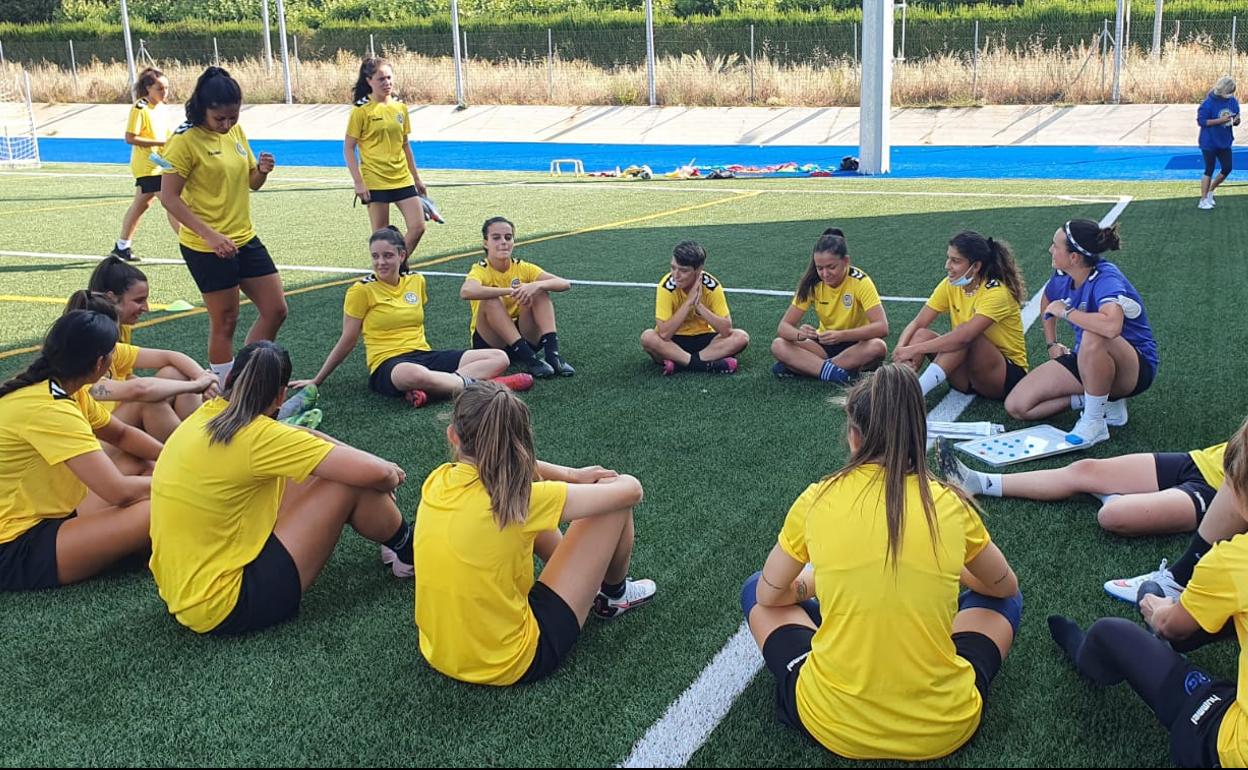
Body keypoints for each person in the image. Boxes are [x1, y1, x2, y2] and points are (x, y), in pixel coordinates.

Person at [741, 364, 1022, 760]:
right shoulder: (949, 502)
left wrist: (816, 582)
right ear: (916, 436)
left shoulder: (819, 498)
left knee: (755, 588)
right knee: (1003, 601)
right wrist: (947, 566)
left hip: (831, 721)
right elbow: (1004, 587)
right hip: (945, 726)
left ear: (854, 438)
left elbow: (770, 595)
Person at [149, 341, 415, 636]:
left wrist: (376, 467)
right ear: (281, 394)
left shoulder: (206, 416)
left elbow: (302, 435)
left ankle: (398, 543)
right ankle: (408, 548)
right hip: (226, 605)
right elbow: (376, 474)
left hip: (184, 592)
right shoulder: (258, 437)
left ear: (228, 380)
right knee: (347, 482)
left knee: (329, 470)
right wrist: (388, 475)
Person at [415, 381, 657, 686]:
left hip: (438, 651)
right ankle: (614, 596)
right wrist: (597, 481)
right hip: (514, 660)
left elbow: (506, 465)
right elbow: (631, 491)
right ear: (518, 444)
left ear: (453, 435)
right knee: (612, 505)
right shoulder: (523, 500)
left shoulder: (438, 479)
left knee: (523, 518)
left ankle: (585, 585)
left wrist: (572, 475)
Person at [1047, 418, 1248, 768]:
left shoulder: (1233, 561)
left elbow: (1173, 628)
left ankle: (1091, 658)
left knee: (1113, 632)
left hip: (1233, 749)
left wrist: (1154, 605)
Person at [0, 311, 155, 591]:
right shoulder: (51, 408)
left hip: (52, 515)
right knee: (158, 506)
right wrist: (189, 480)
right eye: (113, 353)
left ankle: (141, 546)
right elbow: (118, 491)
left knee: (142, 464)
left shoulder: (65, 388)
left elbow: (121, 434)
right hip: (16, 546)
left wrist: (174, 457)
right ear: (100, 364)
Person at [292, 227, 533, 408]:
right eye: (375, 256)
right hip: (389, 365)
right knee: (412, 374)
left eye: (387, 255)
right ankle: (490, 385)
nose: (380, 262)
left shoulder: (416, 281)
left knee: (499, 357)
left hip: (423, 355)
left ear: (402, 256)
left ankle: (438, 388)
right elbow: (347, 340)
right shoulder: (360, 291)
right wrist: (318, 379)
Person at [158, 66, 287, 387]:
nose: (227, 124)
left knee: (276, 309)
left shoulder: (235, 133)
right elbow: (169, 198)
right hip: (206, 246)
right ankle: (226, 390)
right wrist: (210, 235)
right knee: (225, 321)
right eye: (220, 119)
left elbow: (251, 182)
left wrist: (262, 170)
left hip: (244, 237)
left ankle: (244, 381)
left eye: (234, 117)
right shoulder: (183, 142)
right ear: (202, 108)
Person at [1004, 219, 1158, 448]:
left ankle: (1094, 421)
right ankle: (1100, 401)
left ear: (1074, 257)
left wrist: (1067, 311)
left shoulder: (1106, 278)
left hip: (1134, 366)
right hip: (1087, 356)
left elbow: (1111, 327)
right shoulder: (1061, 276)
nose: (1050, 250)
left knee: (1094, 334)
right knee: (1017, 405)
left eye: (1055, 245)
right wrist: (1052, 344)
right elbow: (1047, 302)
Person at [938, 436, 1228, 537]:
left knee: (1113, 516)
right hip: (1204, 461)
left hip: (1221, 494)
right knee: (1084, 469)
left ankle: (1113, 496)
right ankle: (978, 482)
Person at [65, 291, 217, 442]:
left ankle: (199, 439)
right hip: (98, 442)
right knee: (147, 402)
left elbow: (169, 356)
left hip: (118, 427)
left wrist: (201, 377)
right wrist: (197, 385)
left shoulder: (103, 350)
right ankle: (194, 449)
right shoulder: (79, 375)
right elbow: (139, 390)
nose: (146, 308)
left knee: (174, 373)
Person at [893, 230, 1028, 401]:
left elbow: (964, 337)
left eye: (955, 261)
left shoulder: (996, 292)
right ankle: (895, 389)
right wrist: (900, 351)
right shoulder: (951, 285)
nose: (947, 265)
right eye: (948, 258)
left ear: (976, 266)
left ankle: (913, 396)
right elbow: (918, 322)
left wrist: (914, 349)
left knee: (967, 336)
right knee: (921, 334)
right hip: (967, 377)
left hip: (1004, 378)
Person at [460, 217, 575, 378]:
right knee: (491, 300)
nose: (503, 242)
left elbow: (564, 283)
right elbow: (466, 291)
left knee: (540, 290)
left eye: (508, 237)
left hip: (524, 337)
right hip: (492, 343)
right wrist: (509, 291)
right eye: (496, 237)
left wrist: (536, 286)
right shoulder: (481, 269)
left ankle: (553, 354)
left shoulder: (522, 267)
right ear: (485, 243)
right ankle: (531, 360)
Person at [771, 227, 888, 383]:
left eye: (831, 267)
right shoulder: (812, 283)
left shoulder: (860, 281)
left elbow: (882, 327)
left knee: (878, 347)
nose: (825, 274)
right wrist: (801, 334)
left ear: (846, 261)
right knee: (778, 345)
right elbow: (783, 327)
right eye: (820, 268)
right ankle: (834, 372)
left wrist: (841, 335)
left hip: (856, 344)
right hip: (823, 346)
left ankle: (810, 368)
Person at [345, 57, 429, 254]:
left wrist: (417, 179)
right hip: (375, 180)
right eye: (381, 79)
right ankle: (386, 274)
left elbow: (405, 145)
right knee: (381, 236)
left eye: (389, 78)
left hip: (402, 177)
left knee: (418, 227)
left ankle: (398, 264)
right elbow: (349, 148)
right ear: (369, 81)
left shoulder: (400, 107)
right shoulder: (361, 110)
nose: (387, 83)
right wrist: (358, 182)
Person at [639, 239, 750, 375]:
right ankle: (706, 365)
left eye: (683, 271)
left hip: (705, 339)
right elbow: (664, 334)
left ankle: (680, 364)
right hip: (674, 341)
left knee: (741, 337)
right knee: (648, 337)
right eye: (673, 268)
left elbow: (726, 330)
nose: (676, 275)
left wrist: (699, 306)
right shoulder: (666, 287)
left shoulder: (712, 286)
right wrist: (688, 302)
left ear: (698, 270)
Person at [111, 66, 179, 263]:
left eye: (166, 88)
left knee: (142, 204)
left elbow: (166, 136)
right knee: (173, 202)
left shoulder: (161, 108)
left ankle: (122, 246)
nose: (164, 92)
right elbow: (130, 138)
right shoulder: (139, 108)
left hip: (161, 162)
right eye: (160, 88)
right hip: (148, 165)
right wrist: (160, 144)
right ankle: (191, 246)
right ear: (148, 88)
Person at [1197, 75, 1240, 210]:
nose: (1230, 95)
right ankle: (1203, 199)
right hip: (1209, 141)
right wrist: (1220, 121)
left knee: (1227, 168)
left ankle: (1211, 190)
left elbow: (1236, 116)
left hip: (1224, 140)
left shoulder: (1232, 101)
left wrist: (1236, 121)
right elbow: (1202, 122)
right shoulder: (1207, 104)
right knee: (1209, 169)